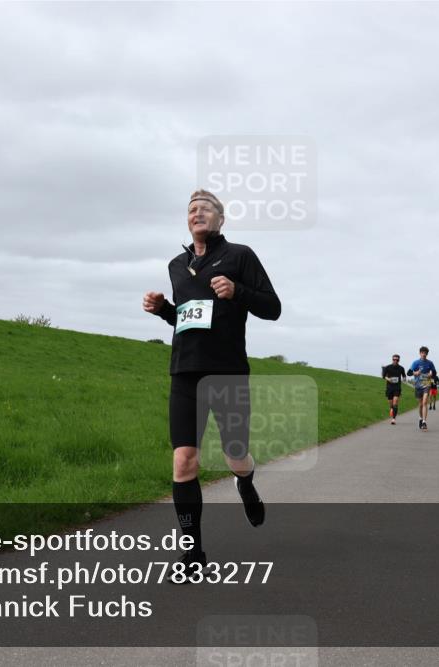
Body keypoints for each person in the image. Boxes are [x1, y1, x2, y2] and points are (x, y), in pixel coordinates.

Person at [142, 189, 281, 579]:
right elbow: (186, 319)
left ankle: (246, 484)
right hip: (185, 372)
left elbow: (273, 308)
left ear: (220, 219)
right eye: (191, 209)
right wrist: (164, 310)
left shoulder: (240, 256)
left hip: (227, 371)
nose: (197, 213)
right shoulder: (176, 265)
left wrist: (238, 291)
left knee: (236, 454)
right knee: (184, 460)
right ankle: (192, 557)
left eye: (205, 208)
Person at [406, 346, 437, 431]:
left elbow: (434, 372)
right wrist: (415, 373)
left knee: (424, 402)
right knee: (420, 405)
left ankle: (424, 422)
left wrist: (431, 374)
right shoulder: (416, 362)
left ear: (427, 354)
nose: (424, 354)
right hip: (418, 385)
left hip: (426, 383)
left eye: (425, 353)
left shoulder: (430, 363)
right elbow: (408, 373)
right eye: (422, 352)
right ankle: (420, 418)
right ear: (420, 353)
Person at [381, 354, 407, 424]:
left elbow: (404, 375)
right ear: (392, 359)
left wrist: (404, 379)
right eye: (394, 359)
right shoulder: (388, 367)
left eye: (397, 360)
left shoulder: (401, 368)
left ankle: (393, 419)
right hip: (389, 387)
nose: (395, 361)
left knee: (395, 402)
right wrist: (388, 379)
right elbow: (383, 376)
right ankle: (392, 408)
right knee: (391, 403)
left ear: (399, 360)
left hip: (397, 387)